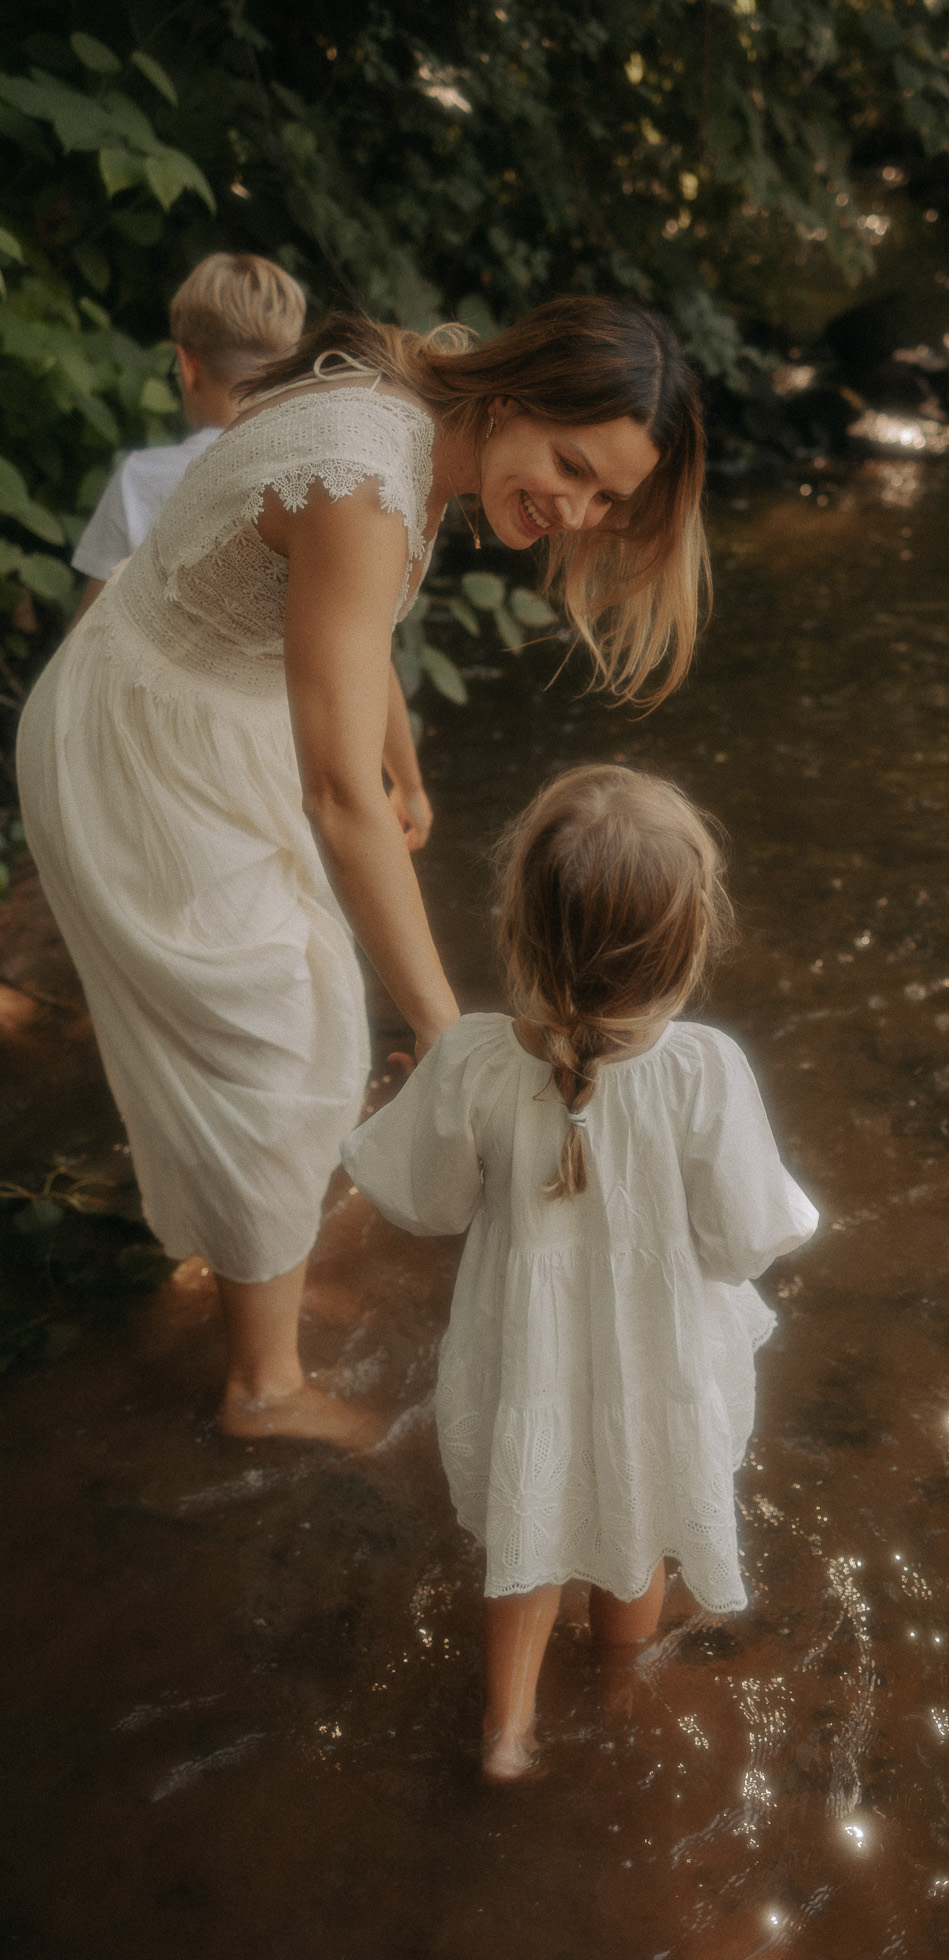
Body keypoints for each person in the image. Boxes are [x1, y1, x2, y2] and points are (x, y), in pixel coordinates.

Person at [17, 298, 711, 1445]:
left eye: (604, 500)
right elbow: (337, 800)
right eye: (570, 465)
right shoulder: (361, 475)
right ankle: (262, 1388)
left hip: (205, 712)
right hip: (140, 747)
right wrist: (450, 1036)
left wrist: (404, 764)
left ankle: (237, 1250)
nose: (571, 511)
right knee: (279, 1035)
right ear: (512, 397)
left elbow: (347, 627)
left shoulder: (418, 420)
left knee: (314, 1014)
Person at [342, 765, 819, 1781]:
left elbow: (425, 1203)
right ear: (688, 941)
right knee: (632, 1530)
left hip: (523, 1354)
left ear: (518, 925)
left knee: (526, 1527)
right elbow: (744, 1237)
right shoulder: (703, 1069)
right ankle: (616, 1690)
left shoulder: (473, 1058)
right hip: (657, 1361)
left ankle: (506, 1729)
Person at [71, 253, 307, 617]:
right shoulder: (314, 479)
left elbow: (86, 640)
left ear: (188, 365)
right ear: (286, 370)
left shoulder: (140, 479)